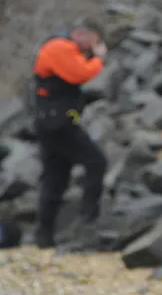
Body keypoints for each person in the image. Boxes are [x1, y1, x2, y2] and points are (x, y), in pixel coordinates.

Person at [31, 21, 109, 249]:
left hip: (54, 122)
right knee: (96, 162)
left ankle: (44, 236)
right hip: (58, 124)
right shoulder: (59, 47)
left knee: (56, 178)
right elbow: (79, 74)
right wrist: (98, 59)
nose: (93, 47)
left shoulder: (68, 50)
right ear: (80, 34)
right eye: (94, 41)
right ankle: (89, 219)